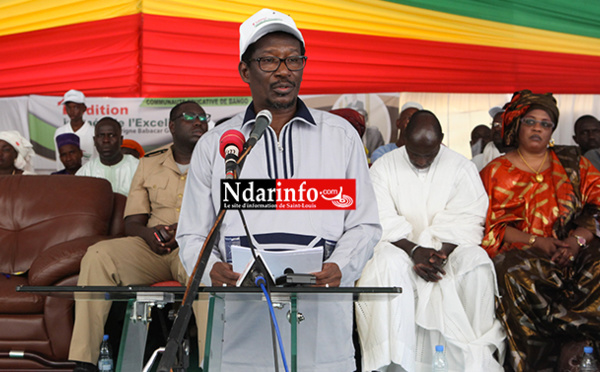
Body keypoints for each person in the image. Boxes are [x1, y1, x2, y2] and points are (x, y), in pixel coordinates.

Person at [176, 8, 381, 371]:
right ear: (245, 70)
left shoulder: (341, 137)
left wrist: (340, 266)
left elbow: (364, 224)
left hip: (321, 317)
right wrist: (211, 270)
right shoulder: (217, 146)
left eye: (293, 59)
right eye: (269, 60)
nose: (284, 70)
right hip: (241, 319)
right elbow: (193, 232)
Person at [357, 110, 505, 372]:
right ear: (403, 138)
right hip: (399, 248)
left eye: (430, 154)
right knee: (386, 265)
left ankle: (472, 362)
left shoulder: (462, 167)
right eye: (415, 154)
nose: (422, 161)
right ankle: (394, 363)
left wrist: (440, 254)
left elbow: (468, 218)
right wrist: (414, 250)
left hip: (449, 250)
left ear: (442, 140)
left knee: (478, 263)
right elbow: (380, 219)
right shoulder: (384, 167)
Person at [69, 101, 210, 372]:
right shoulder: (148, 164)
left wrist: (181, 231)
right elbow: (132, 223)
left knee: (208, 270)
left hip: (196, 246)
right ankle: (84, 361)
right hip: (154, 249)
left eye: (203, 117)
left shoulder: (219, 163)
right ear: (171, 126)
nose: (198, 122)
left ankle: (208, 363)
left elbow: (226, 217)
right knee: (98, 256)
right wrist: (148, 234)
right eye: (190, 116)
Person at [480, 89, 600, 372]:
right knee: (511, 273)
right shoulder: (496, 172)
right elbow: (491, 227)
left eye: (545, 124)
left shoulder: (575, 164)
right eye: (530, 121)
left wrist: (576, 240)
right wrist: (538, 242)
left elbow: (596, 206)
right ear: (517, 126)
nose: (538, 128)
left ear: (552, 131)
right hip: (525, 255)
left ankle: (580, 348)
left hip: (576, 251)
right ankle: (561, 348)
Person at [75, 117, 139, 196]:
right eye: (101, 136)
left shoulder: (138, 168)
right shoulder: (84, 173)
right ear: (94, 141)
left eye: (111, 135)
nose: (106, 140)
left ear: (121, 140)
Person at [54, 89, 96, 169]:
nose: (72, 111)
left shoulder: (93, 132)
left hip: (89, 178)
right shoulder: (60, 132)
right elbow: (59, 162)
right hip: (67, 179)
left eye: (75, 107)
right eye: (68, 108)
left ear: (84, 108)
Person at [473, 106, 510, 171]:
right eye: (494, 125)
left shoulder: (523, 159)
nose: (497, 128)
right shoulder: (476, 162)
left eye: (502, 124)